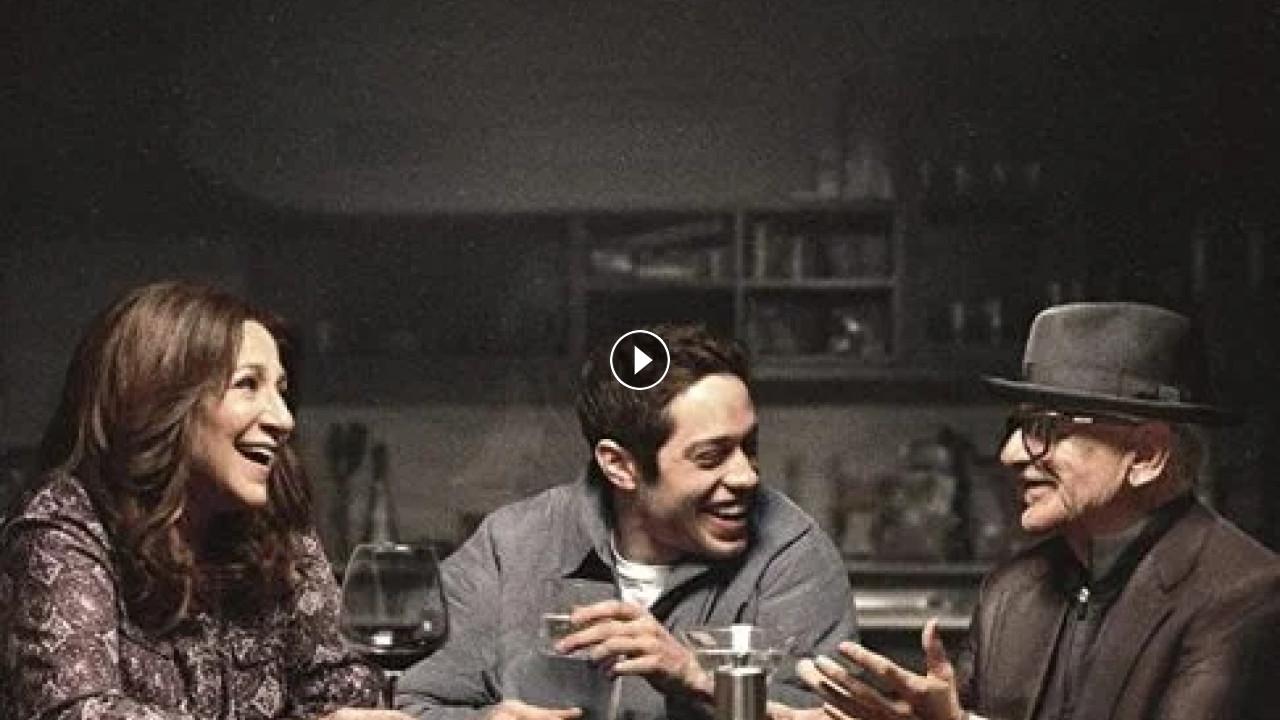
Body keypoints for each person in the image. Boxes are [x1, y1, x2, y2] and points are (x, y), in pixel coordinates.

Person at [791, 302, 1280, 720]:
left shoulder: (1245, 596)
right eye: (1018, 426)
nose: (1009, 454)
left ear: (1147, 455)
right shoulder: (1011, 592)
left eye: (1047, 429)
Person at [396, 324, 856, 719]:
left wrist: (697, 679)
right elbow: (412, 702)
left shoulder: (792, 554)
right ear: (620, 466)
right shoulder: (513, 545)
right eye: (711, 456)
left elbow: (831, 716)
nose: (746, 476)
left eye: (748, 447)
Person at [0, 280, 407, 720]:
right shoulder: (60, 525)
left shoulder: (275, 521)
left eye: (281, 390)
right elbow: (78, 712)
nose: (283, 418)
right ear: (162, 399)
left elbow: (342, 687)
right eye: (248, 384)